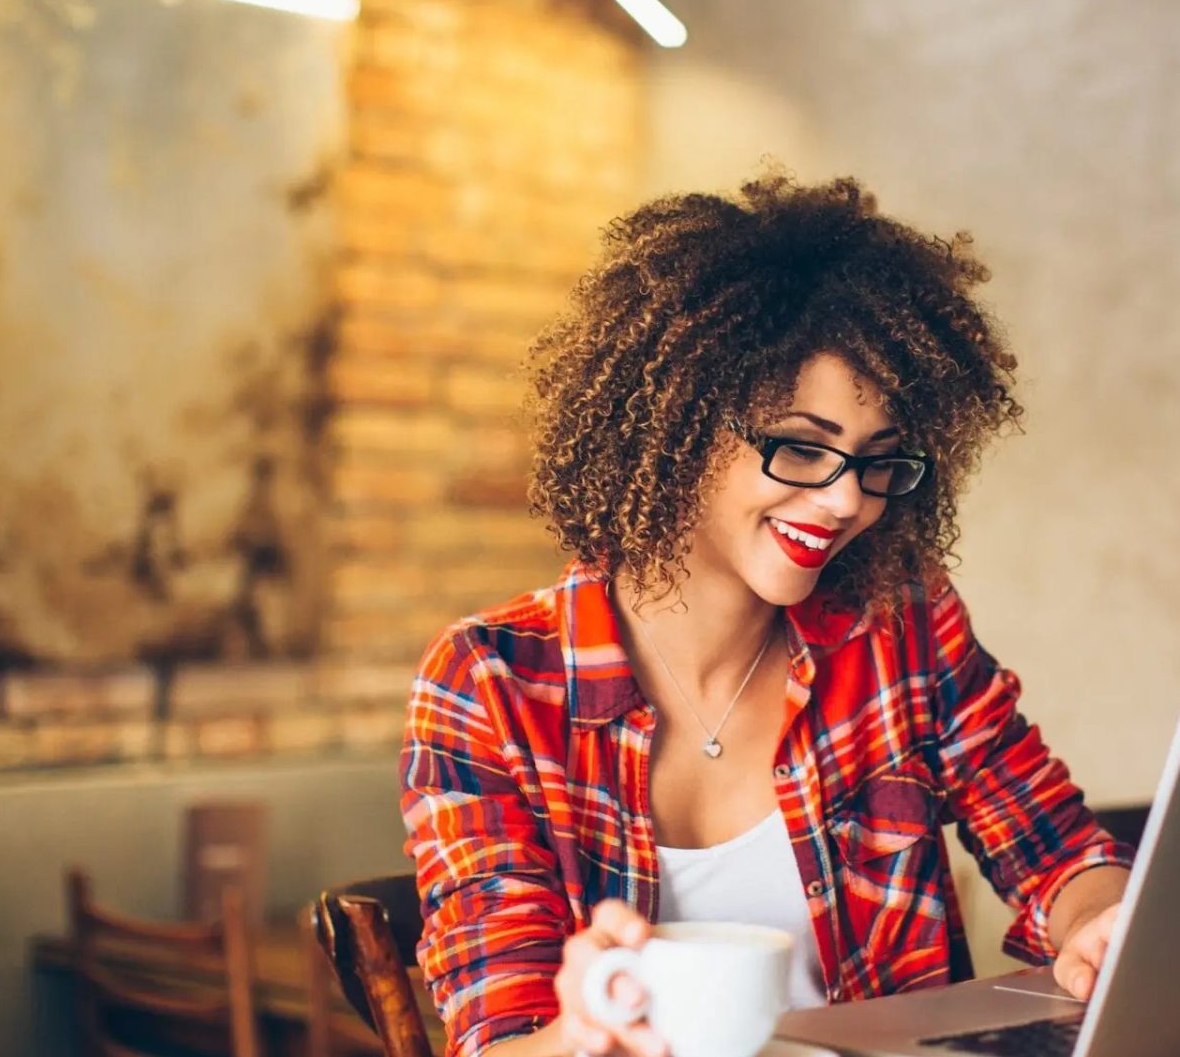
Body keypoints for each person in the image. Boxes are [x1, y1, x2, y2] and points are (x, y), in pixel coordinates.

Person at [400, 173, 1132, 1057]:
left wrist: (1101, 920)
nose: (842, 501)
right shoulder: (490, 684)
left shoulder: (900, 626)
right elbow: (498, 1038)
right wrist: (584, 1033)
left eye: (877, 462)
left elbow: (1058, 852)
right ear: (677, 421)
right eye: (801, 448)